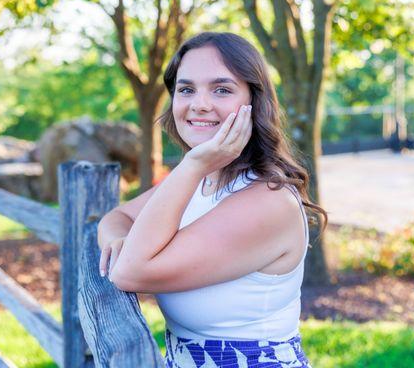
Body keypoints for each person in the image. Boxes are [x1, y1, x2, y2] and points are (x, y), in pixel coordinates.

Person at [97, 32, 326, 367]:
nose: (199, 103)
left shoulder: (267, 201)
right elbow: (117, 218)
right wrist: (119, 241)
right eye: (186, 89)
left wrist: (192, 164)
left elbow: (130, 272)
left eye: (221, 89)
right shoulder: (201, 180)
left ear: (254, 102)